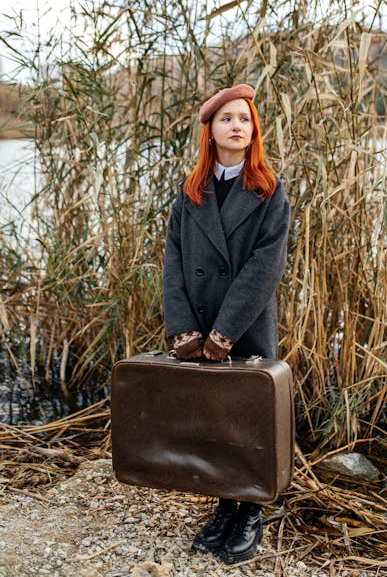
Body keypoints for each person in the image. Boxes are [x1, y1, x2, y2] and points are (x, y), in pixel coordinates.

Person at [162, 83, 290, 565]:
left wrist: (224, 333)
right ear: (210, 131)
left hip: (244, 327)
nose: (238, 125)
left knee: (249, 418)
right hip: (196, 326)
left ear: (252, 131)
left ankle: (251, 512)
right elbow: (172, 263)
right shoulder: (190, 192)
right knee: (214, 419)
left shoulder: (267, 191)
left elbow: (265, 267)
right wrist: (183, 330)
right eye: (227, 119)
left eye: (245, 119)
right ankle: (223, 506)